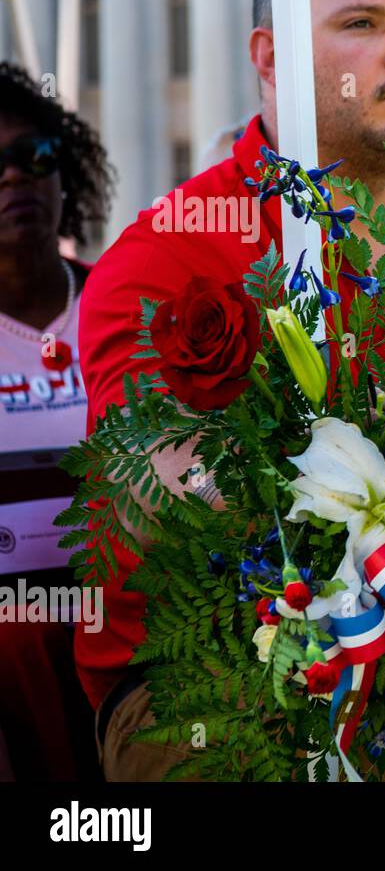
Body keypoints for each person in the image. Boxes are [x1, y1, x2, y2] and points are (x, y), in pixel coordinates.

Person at [76, 0, 385, 781]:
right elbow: (147, 490)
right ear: (271, 53)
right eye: (362, 23)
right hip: (219, 668)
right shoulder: (162, 259)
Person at [0, 61, 113, 780]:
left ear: (64, 174)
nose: (14, 179)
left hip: (131, 637)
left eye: (32, 157)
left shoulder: (120, 304)